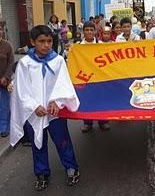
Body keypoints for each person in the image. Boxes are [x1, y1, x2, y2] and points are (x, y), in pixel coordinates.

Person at [10, 25, 80, 191]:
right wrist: (34, 106)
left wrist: (57, 101)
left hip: (55, 112)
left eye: (49, 41)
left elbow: (64, 84)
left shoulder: (58, 61)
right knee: (38, 144)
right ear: (33, 42)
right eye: (42, 41)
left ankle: (71, 167)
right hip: (35, 113)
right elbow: (21, 89)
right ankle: (41, 173)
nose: (46, 45)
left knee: (62, 141)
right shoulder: (25, 64)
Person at [79, 21, 110, 132]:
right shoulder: (78, 47)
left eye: (91, 30)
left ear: (95, 31)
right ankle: (87, 122)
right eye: (86, 30)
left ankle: (103, 121)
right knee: (87, 100)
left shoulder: (101, 45)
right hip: (86, 78)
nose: (89, 32)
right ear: (83, 32)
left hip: (100, 77)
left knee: (102, 99)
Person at [0, 32, 14, 137]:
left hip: (3, 81)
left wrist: (6, 77)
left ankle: (4, 128)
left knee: (4, 105)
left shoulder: (7, 46)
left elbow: (11, 63)